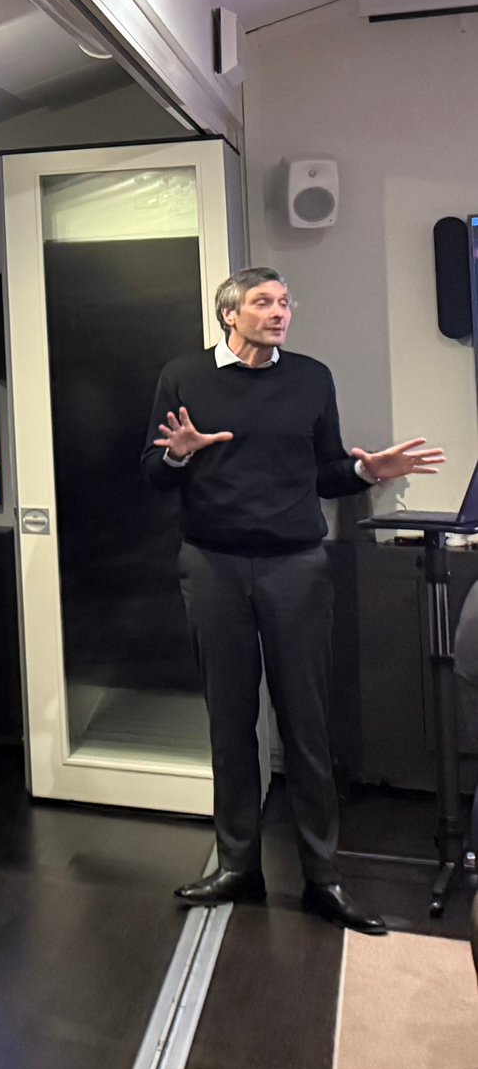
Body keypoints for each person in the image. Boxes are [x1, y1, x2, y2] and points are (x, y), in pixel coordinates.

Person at [143, 267, 443, 933]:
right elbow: (152, 473)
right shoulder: (184, 376)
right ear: (230, 314)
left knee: (306, 723)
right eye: (264, 302)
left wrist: (366, 470)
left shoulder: (311, 377)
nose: (279, 312)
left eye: (284, 302)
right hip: (213, 564)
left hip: (295, 566)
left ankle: (323, 877)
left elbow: (327, 471)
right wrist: (179, 455)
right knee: (229, 722)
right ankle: (237, 867)